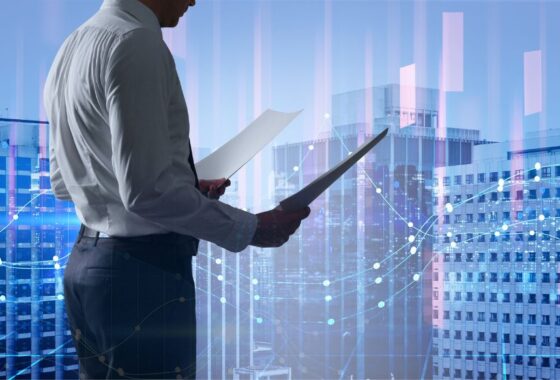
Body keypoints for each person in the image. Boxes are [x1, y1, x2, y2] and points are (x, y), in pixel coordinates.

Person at [43, 0, 311, 379]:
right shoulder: (136, 43)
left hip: (87, 268)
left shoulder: (72, 47)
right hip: (141, 277)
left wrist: (182, 185)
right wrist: (252, 228)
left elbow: (64, 179)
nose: (193, 1)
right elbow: (147, 192)